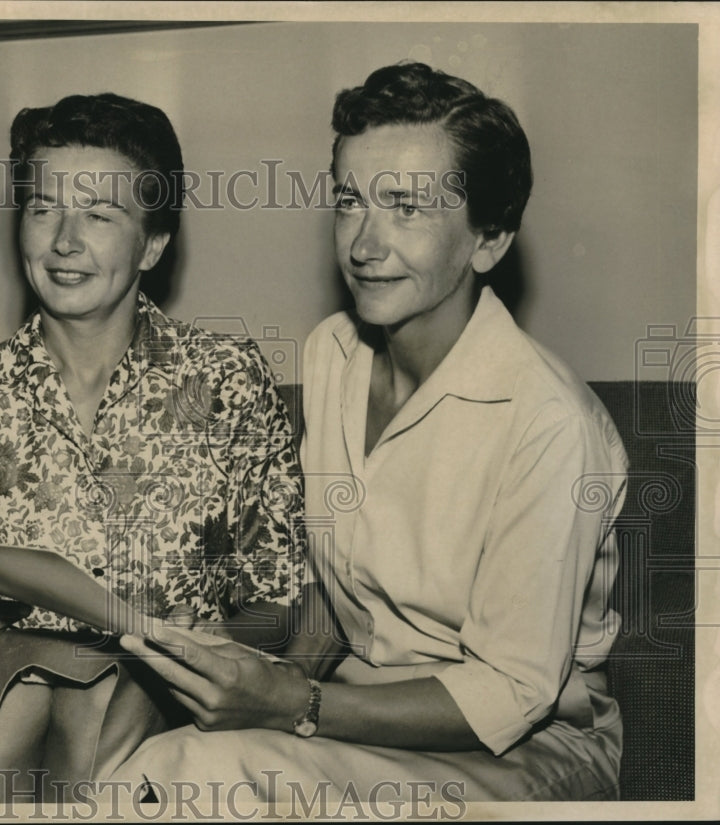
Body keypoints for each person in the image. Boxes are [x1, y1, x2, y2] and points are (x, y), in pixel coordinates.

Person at [110, 62, 629, 805]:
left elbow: (510, 692)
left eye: (407, 208)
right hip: (358, 720)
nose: (364, 243)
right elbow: (334, 590)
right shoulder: (333, 353)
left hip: (534, 752)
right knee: (150, 760)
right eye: (350, 202)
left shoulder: (547, 423)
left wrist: (293, 705)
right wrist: (230, 650)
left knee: (202, 776)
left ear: (490, 238)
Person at [0, 93, 307, 803]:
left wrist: (206, 636)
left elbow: (284, 607)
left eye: (101, 215)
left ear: (152, 243)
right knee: (23, 684)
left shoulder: (230, 383)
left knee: (96, 698)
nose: (63, 241)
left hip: (166, 693)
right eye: (44, 208)